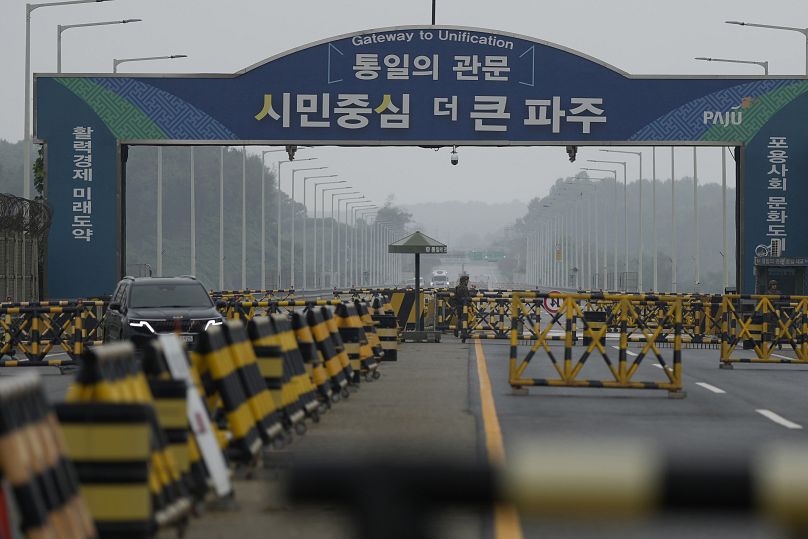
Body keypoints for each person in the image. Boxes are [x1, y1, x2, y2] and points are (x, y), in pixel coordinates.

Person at [454, 274, 470, 342]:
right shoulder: (465, 288)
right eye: (467, 281)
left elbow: (455, 297)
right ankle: (463, 333)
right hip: (464, 306)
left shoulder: (457, 287)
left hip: (458, 305)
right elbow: (467, 297)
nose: (467, 282)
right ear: (464, 281)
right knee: (464, 320)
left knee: (459, 318)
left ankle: (457, 328)